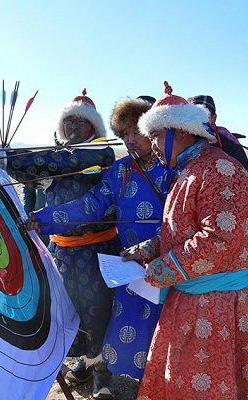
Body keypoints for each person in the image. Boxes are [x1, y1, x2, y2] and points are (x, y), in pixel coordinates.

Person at [122, 82, 248, 399]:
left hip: (216, 306)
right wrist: (148, 249)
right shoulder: (190, 169)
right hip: (194, 298)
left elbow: (220, 239)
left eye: (153, 136)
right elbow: (183, 227)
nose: (150, 144)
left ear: (178, 131)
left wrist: (160, 269)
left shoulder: (219, 169)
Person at [0, 89, 122, 399]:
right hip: (62, 250)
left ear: (93, 128)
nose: (73, 127)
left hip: (95, 250)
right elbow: (39, 175)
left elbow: (63, 162)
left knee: (98, 310)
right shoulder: (59, 154)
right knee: (68, 310)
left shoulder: (99, 153)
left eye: (80, 122)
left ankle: (103, 374)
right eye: (68, 121)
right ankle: (84, 364)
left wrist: (12, 158)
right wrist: (11, 163)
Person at [26, 96, 165, 397]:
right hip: (130, 265)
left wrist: (154, 247)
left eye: (136, 132)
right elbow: (90, 205)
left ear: (152, 130)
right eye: (124, 134)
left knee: (165, 328)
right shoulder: (121, 171)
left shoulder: (172, 169)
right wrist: (43, 219)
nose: (130, 140)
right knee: (132, 329)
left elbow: (185, 221)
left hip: (167, 262)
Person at [188, 94, 248, 181]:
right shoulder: (181, 139)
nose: (198, 119)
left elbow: (246, 178)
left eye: (204, 114)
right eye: (194, 114)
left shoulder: (229, 144)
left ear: (213, 118)